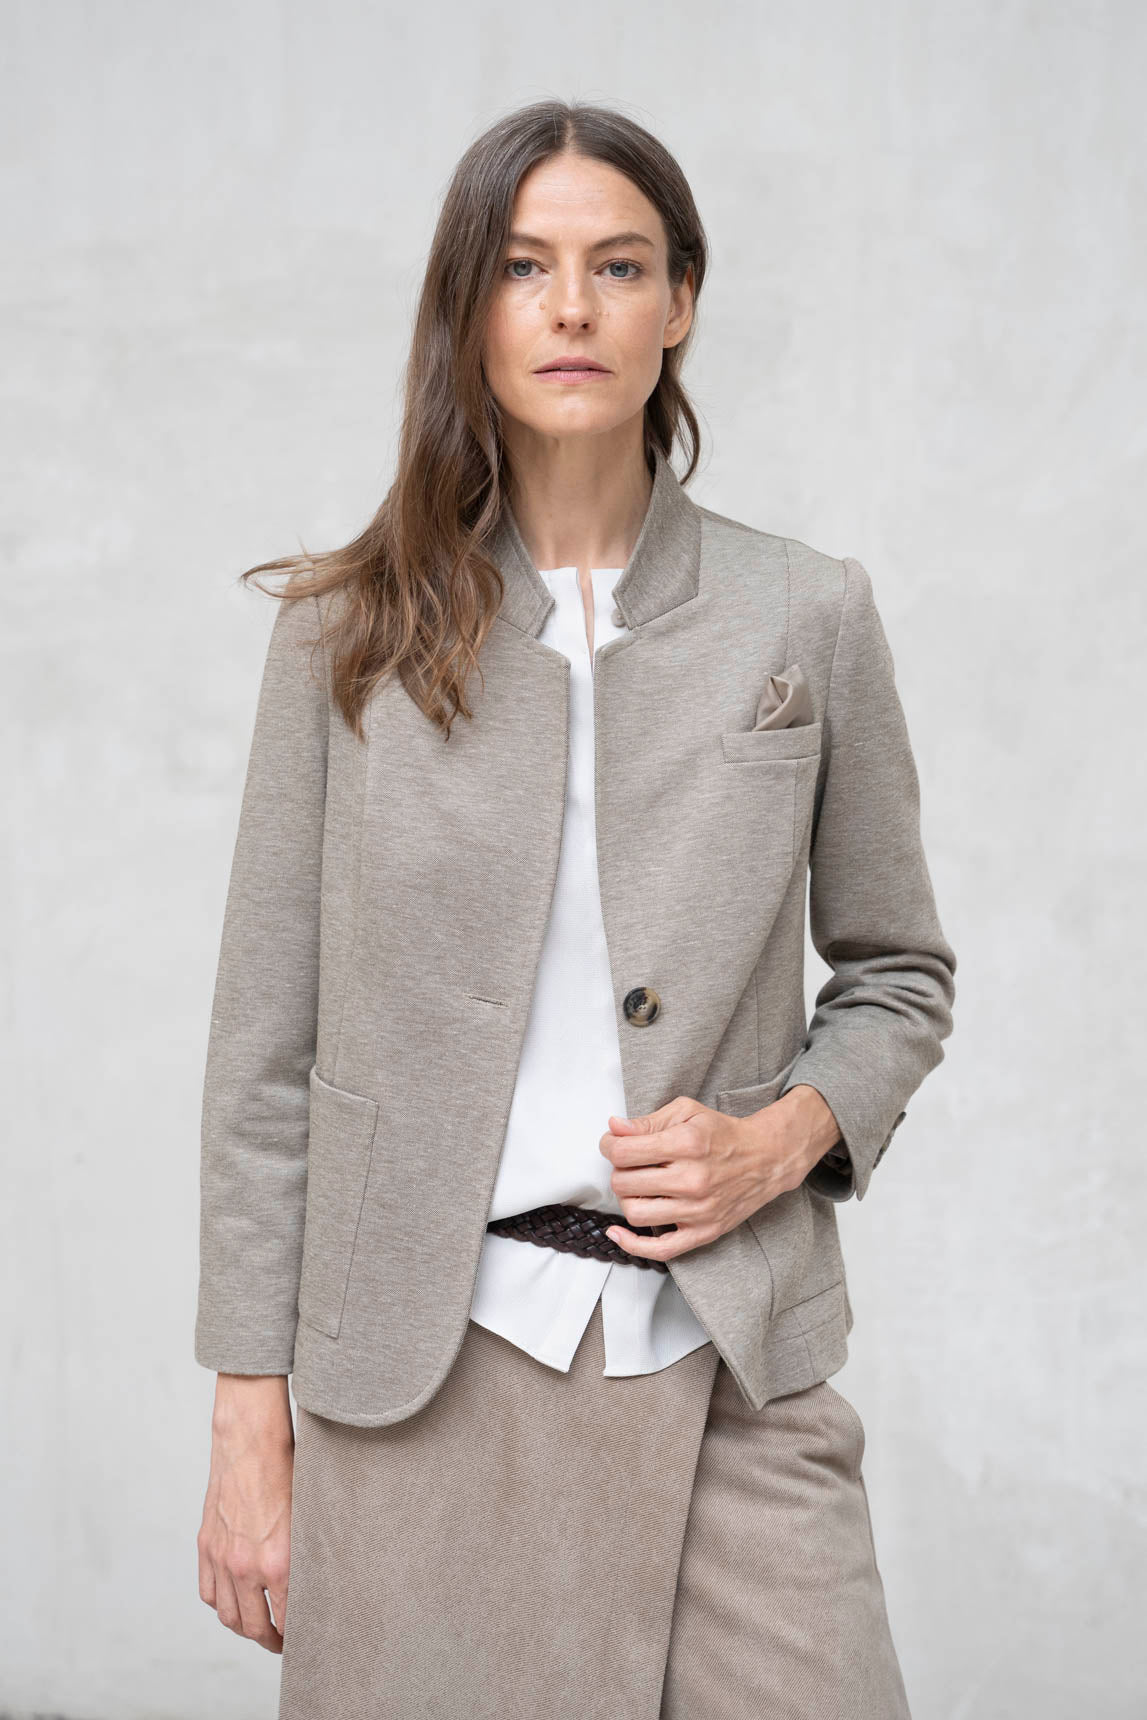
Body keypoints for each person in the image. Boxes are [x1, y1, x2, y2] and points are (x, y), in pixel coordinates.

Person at [194, 98, 957, 1720]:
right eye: (524, 266)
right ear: (470, 308)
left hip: (726, 1352)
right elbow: (264, 1063)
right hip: (420, 1380)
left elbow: (899, 973)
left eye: (618, 265)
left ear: (679, 302)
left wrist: (784, 1137)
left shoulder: (805, 612)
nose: (571, 307)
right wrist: (247, 1424)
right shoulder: (344, 634)